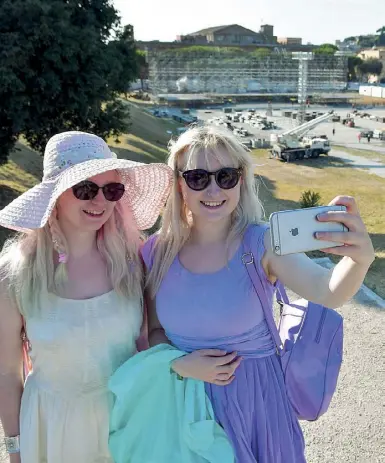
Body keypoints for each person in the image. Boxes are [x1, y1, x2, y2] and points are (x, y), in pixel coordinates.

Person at [142, 124, 375, 463]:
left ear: (241, 180)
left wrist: (359, 259)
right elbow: (152, 332)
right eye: (197, 177)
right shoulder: (155, 252)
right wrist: (179, 363)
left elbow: (328, 292)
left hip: (256, 406)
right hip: (183, 406)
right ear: (180, 183)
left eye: (226, 177)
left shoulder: (261, 242)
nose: (212, 189)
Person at [0, 131, 172, 463]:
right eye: (85, 189)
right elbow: (7, 373)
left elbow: (153, 343)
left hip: (125, 427)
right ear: (55, 196)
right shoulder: (14, 272)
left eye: (111, 190)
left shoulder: (135, 263)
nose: (100, 202)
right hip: (51, 431)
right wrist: (15, 450)